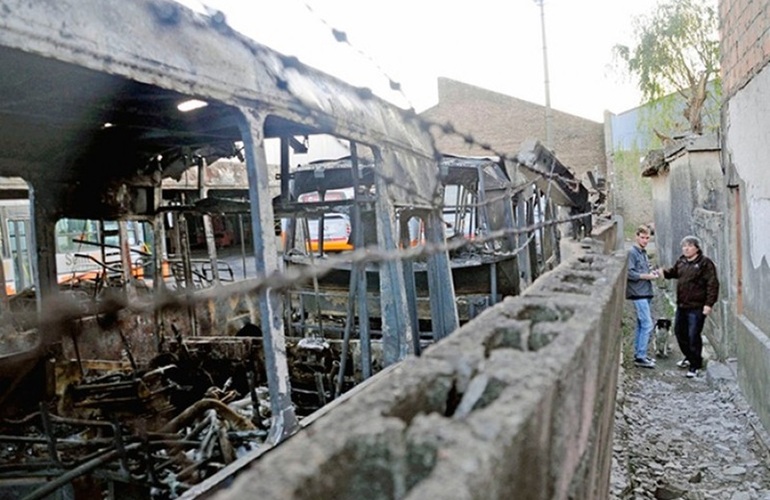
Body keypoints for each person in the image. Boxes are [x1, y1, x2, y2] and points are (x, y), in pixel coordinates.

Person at [659, 235, 719, 378]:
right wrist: (663, 272)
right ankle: (689, 356)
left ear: (697, 248)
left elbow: (713, 284)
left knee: (693, 335)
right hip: (682, 305)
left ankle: (695, 364)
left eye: (689, 245)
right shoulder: (681, 261)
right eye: (684, 246)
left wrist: (709, 304)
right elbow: (674, 272)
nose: (685, 248)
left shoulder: (705, 264)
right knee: (680, 333)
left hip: (697, 307)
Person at [626, 225, 658, 369]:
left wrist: (653, 272)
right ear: (636, 236)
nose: (645, 240)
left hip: (645, 291)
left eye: (647, 238)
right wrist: (647, 276)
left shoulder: (642, 252)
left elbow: (645, 269)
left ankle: (639, 354)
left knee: (641, 324)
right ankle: (641, 356)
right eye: (642, 237)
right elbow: (630, 274)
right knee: (647, 324)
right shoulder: (632, 252)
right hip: (638, 293)